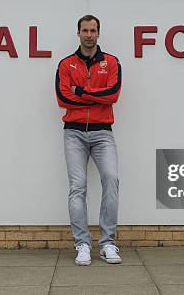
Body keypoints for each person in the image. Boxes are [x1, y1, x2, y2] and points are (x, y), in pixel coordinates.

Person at [55, 14, 122, 266]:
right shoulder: (65, 64)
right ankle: (82, 244)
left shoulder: (112, 62)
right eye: (85, 30)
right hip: (73, 133)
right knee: (78, 187)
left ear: (98, 33)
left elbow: (113, 94)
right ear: (78, 32)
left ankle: (108, 244)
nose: (89, 34)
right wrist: (97, 97)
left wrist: (82, 91)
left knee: (111, 179)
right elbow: (63, 98)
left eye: (93, 30)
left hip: (103, 132)